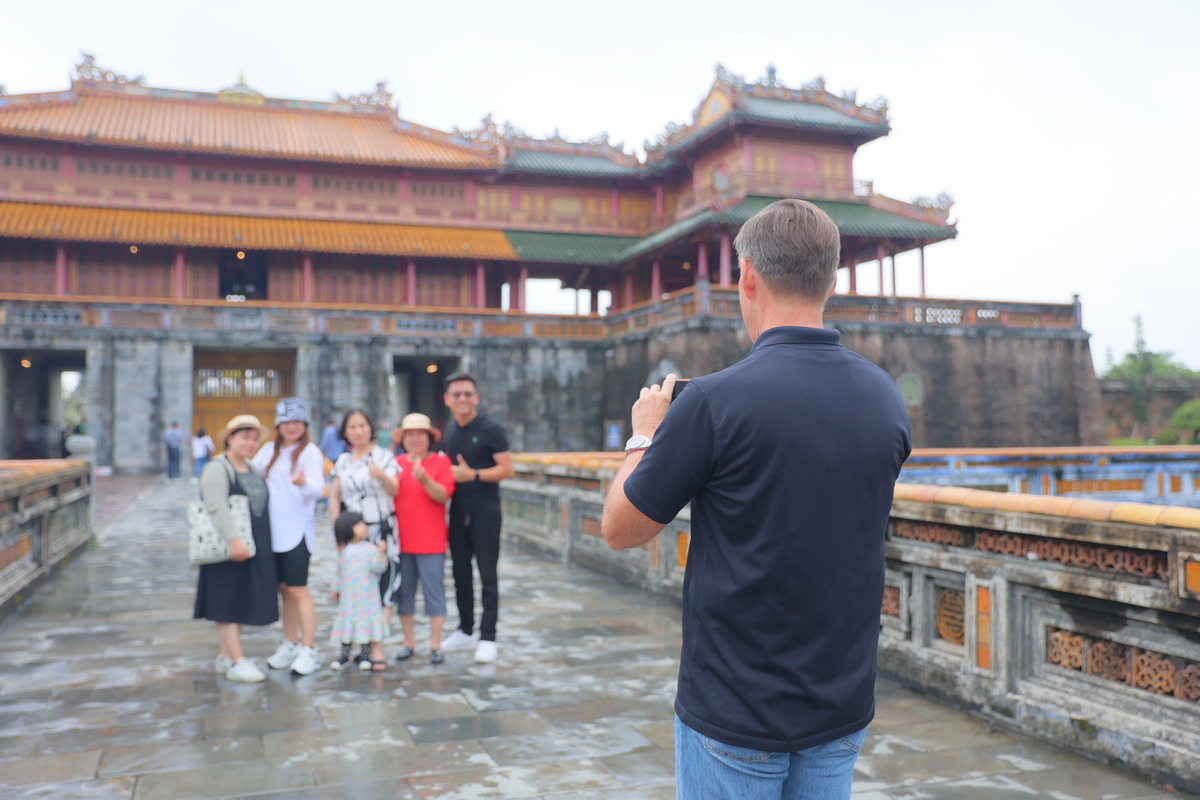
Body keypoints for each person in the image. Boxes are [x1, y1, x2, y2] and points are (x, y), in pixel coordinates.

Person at [600, 199, 912, 800]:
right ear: (832, 280)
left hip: (734, 708)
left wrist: (644, 433)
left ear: (747, 277)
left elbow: (621, 528)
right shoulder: (885, 398)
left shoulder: (714, 402)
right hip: (840, 700)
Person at [193, 414, 278, 683]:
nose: (250, 443)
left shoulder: (251, 468)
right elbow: (215, 506)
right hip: (229, 548)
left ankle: (225, 656)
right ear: (230, 438)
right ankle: (238, 661)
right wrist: (233, 540)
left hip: (251, 546)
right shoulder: (218, 468)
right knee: (226, 603)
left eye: (254, 438)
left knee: (237, 601)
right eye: (245, 437)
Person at [439, 372, 515, 664]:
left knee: (487, 575)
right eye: (456, 394)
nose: (462, 399)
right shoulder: (449, 430)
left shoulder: (491, 429)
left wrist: (474, 475)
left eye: (467, 394)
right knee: (460, 573)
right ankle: (465, 628)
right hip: (458, 510)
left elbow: (507, 469)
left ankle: (487, 636)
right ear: (448, 400)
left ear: (476, 398)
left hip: (485, 510)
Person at [253, 398, 326, 677]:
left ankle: (309, 648)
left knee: (299, 590)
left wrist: (302, 483)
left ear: (304, 424)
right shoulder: (269, 450)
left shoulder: (310, 452)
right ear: (278, 425)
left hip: (297, 531)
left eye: (297, 421)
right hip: (273, 533)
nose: (292, 427)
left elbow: (318, 489)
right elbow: (251, 471)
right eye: (286, 422)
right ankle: (290, 642)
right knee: (284, 591)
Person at [391, 413, 456, 664]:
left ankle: (435, 644)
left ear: (429, 438)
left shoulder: (441, 463)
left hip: (431, 542)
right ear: (403, 439)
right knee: (403, 595)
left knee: (434, 592)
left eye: (420, 434)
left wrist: (425, 479)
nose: (415, 439)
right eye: (410, 435)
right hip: (400, 542)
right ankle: (408, 641)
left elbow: (442, 496)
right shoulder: (396, 463)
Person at [328, 409, 400, 626]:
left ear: (370, 427)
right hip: (353, 534)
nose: (358, 431)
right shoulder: (343, 461)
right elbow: (334, 497)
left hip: (380, 530)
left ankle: (378, 644)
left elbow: (395, 490)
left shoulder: (384, 456)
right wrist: (338, 531)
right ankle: (360, 641)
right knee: (357, 589)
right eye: (353, 427)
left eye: (362, 425)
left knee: (384, 586)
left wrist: (382, 476)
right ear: (345, 432)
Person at [329, 511, 390, 671]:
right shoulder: (344, 551)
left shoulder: (370, 548)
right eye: (358, 524)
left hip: (367, 596)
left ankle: (365, 655)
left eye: (363, 523)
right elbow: (338, 572)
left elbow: (379, 567)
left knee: (365, 625)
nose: (364, 527)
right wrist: (335, 588)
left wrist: (381, 553)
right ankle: (344, 655)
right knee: (347, 625)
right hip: (349, 598)